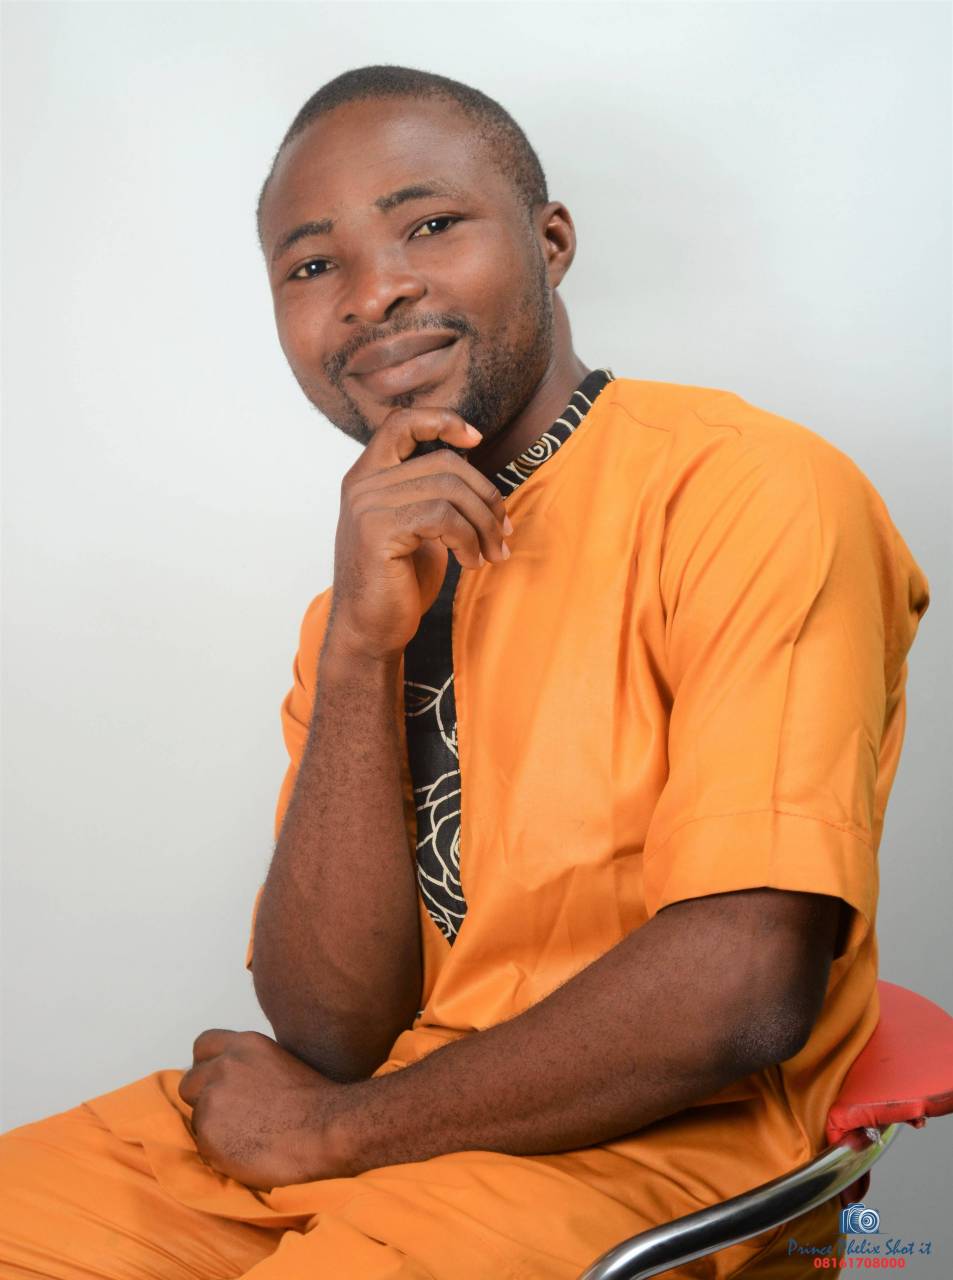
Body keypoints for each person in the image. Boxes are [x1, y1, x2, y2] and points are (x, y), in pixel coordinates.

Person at [0, 64, 930, 1280]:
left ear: (550, 242)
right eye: (311, 264)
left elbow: (739, 985)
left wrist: (333, 1132)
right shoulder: (363, 592)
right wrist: (357, 648)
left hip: (647, 1163)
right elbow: (332, 1029)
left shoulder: (748, 492)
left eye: (430, 224)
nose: (373, 290)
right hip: (389, 1119)